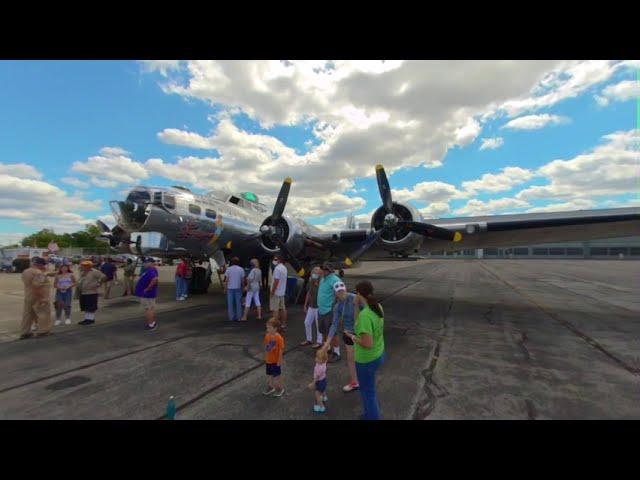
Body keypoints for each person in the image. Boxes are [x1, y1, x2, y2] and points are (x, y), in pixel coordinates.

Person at [344, 281, 385, 420]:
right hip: (378, 354)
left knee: (368, 393)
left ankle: (372, 416)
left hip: (367, 359)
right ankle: (369, 414)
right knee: (368, 390)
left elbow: (367, 343)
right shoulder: (377, 307)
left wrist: (352, 337)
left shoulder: (365, 316)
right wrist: (355, 305)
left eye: (356, 294)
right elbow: (357, 324)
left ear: (359, 294)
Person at [325, 281, 360, 392]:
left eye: (342, 291)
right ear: (335, 293)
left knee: (363, 358)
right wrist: (327, 343)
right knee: (351, 358)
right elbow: (334, 324)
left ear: (345, 289)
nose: (341, 294)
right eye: (338, 292)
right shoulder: (337, 306)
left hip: (361, 332)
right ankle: (354, 382)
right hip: (348, 333)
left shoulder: (354, 298)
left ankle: (364, 379)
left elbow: (368, 311)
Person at [20, 257, 53, 339]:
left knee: (28, 315)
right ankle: (43, 331)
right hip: (38, 296)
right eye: (43, 265)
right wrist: (42, 298)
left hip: (28, 296)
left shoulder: (26, 271)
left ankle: (25, 332)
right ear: (40, 264)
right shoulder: (39, 273)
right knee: (43, 314)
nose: (44, 266)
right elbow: (37, 286)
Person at [316, 262, 341, 360]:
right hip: (321, 309)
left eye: (322, 269)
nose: (320, 270)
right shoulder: (323, 278)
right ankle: (328, 348)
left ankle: (337, 352)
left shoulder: (335, 280)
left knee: (333, 333)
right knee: (323, 331)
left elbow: (340, 294)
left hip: (329, 311)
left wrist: (335, 307)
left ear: (327, 270)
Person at [75, 260, 107, 325]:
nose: (82, 267)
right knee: (85, 306)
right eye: (82, 265)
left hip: (91, 292)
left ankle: (91, 319)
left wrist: (98, 284)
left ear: (88, 266)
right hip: (83, 292)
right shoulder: (82, 272)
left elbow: (104, 277)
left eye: (84, 266)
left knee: (90, 306)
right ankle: (87, 319)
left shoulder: (94, 272)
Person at [263, 317, 285, 397]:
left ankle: (280, 388)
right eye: (267, 327)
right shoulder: (267, 336)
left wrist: (279, 360)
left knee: (276, 376)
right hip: (269, 360)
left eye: (269, 328)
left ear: (275, 328)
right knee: (269, 374)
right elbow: (266, 347)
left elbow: (280, 350)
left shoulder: (279, 338)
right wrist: (266, 356)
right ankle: (270, 387)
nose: (267, 329)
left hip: (275, 361)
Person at [135, 258, 159, 330]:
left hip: (147, 295)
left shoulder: (151, 271)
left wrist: (148, 288)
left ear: (151, 263)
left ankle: (151, 325)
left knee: (148, 309)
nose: (144, 264)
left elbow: (155, 279)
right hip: (146, 294)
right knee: (150, 308)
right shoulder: (149, 270)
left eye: (146, 263)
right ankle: (153, 323)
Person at [301, 266, 322, 347]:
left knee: (318, 324)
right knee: (307, 322)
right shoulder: (311, 280)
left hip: (319, 306)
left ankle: (319, 341)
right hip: (311, 305)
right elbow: (309, 292)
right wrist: (305, 304)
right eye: (313, 272)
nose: (314, 274)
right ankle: (308, 339)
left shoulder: (322, 282)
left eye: (316, 272)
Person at [308, 343, 330, 413]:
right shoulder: (324, 363)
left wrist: (312, 384)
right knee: (322, 390)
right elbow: (324, 352)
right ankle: (324, 397)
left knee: (317, 394)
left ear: (323, 360)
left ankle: (321, 406)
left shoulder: (319, 368)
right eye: (316, 357)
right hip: (324, 380)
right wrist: (326, 347)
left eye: (318, 358)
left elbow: (316, 378)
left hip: (319, 381)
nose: (316, 359)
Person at [270, 255, 288, 330]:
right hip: (282, 291)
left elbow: (276, 281)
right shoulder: (284, 268)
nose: (275, 260)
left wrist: (272, 291)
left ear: (279, 260)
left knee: (275, 309)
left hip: (276, 292)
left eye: (276, 259)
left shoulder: (277, 269)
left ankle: (275, 326)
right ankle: (283, 324)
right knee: (283, 308)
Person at [224, 257, 245, 321]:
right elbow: (242, 280)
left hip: (230, 288)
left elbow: (226, 280)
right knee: (238, 303)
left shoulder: (228, 269)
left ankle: (232, 317)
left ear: (231, 262)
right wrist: (243, 287)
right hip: (238, 288)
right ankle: (239, 317)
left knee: (230, 304)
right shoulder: (241, 269)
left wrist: (225, 288)